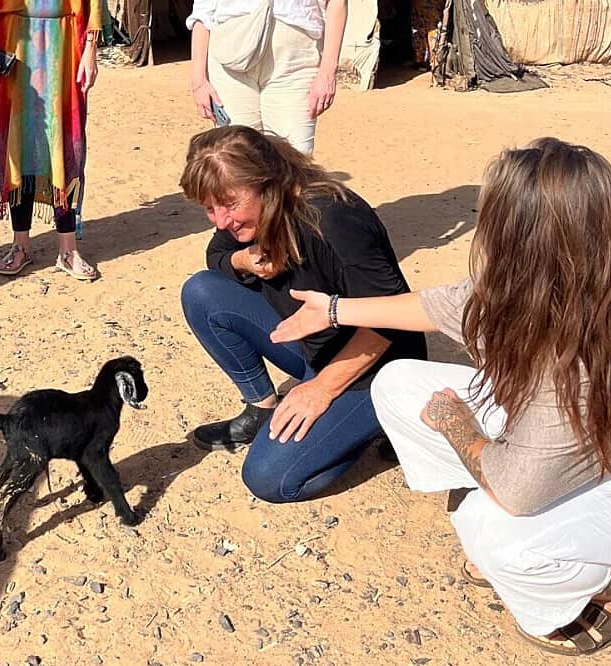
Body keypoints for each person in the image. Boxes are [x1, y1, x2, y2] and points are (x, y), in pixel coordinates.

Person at [274, 138, 611, 655]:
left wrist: (457, 422)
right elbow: (436, 306)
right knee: (397, 383)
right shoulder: (544, 284)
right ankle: (507, 504)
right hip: (569, 445)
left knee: (500, 538)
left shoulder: (572, 360)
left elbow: (517, 490)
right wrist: (333, 310)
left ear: (522, 237)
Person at [179, 126, 426, 503]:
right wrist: (244, 260)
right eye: (209, 208)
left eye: (228, 205)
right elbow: (216, 255)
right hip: (310, 342)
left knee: (268, 479)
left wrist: (322, 389)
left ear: (267, 183)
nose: (220, 221)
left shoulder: (332, 218)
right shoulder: (250, 216)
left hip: (374, 363)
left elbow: (391, 320)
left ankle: (384, 420)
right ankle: (262, 410)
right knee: (201, 291)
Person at [0, 0, 108, 281]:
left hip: (66, 40)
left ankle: (68, 249)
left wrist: (91, 48)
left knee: (64, 141)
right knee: (18, 145)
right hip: (10, 39)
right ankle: (20, 244)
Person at [186, 0, 347, 154]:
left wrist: (328, 71)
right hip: (230, 56)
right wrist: (198, 79)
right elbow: (203, 8)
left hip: (295, 61)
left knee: (294, 158)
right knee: (237, 159)